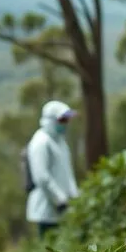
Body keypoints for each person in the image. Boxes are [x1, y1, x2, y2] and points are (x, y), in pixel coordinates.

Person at [26, 100, 80, 239]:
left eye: (67, 120)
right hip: (47, 209)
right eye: (62, 119)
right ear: (51, 120)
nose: (65, 123)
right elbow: (41, 177)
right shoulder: (41, 141)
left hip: (64, 208)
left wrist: (75, 197)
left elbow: (67, 173)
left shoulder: (60, 141)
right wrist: (60, 199)